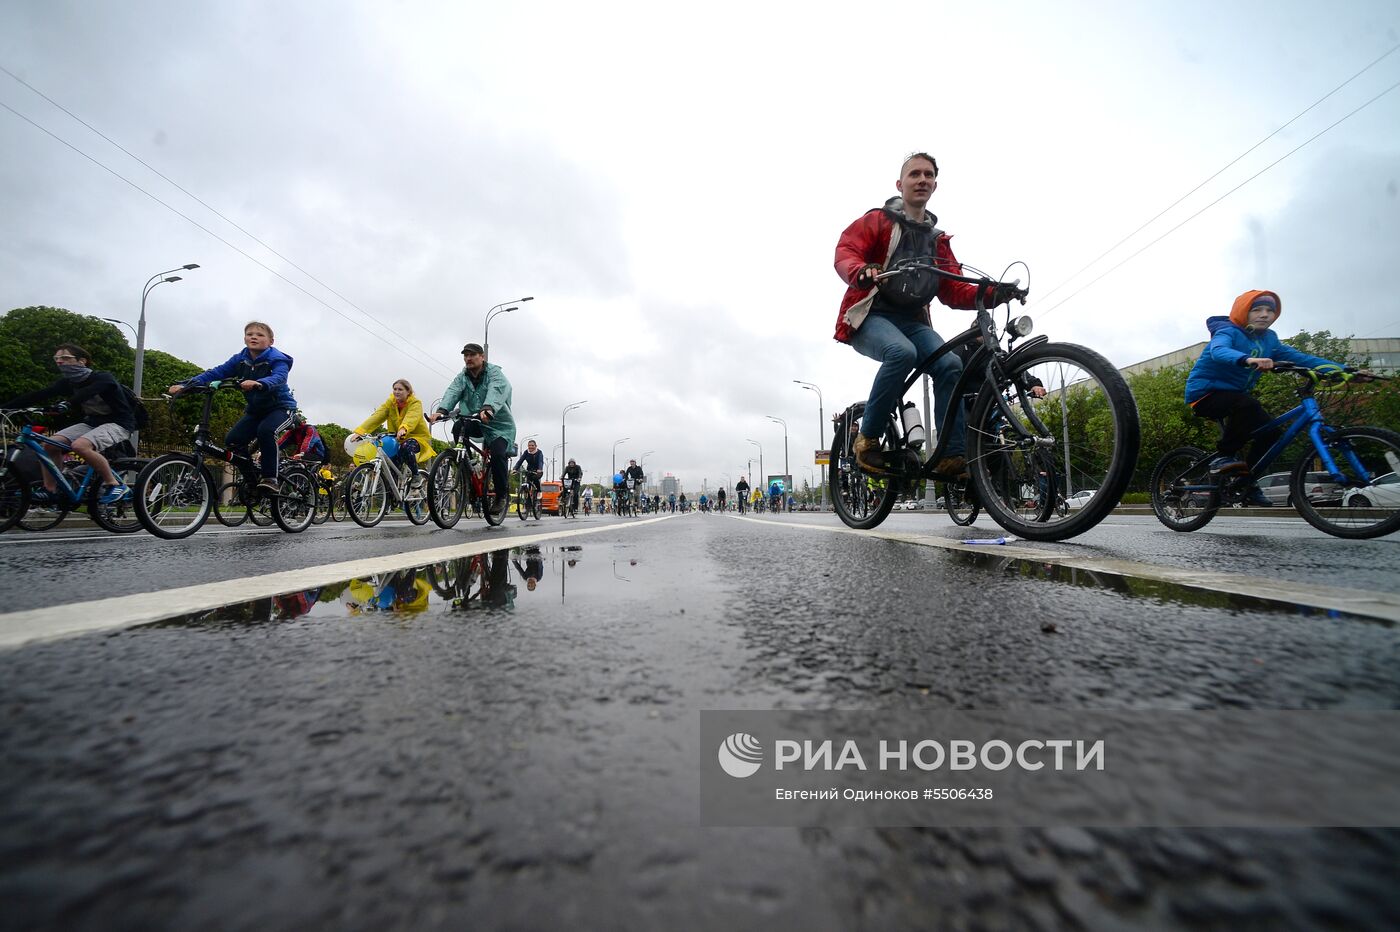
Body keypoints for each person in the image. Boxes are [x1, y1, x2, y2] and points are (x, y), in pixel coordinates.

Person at [834, 152, 1023, 479]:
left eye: (928, 175)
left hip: (913, 323)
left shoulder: (937, 241)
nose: (922, 180)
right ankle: (867, 440)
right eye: (914, 174)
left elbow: (953, 290)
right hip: (870, 316)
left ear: (935, 185)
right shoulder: (878, 221)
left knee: (951, 364)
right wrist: (860, 270)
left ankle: (952, 456)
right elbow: (846, 251)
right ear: (900, 184)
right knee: (901, 353)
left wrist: (995, 293)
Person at [1184, 290, 1356, 506]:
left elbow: (1300, 358)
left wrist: (1345, 370)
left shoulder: (1269, 340)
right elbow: (1219, 351)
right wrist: (1247, 359)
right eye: (1257, 309)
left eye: (1270, 310)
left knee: (1271, 433)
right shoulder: (1227, 331)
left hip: (1236, 396)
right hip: (1205, 394)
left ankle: (1246, 482)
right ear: (1243, 313)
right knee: (1247, 405)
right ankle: (1224, 456)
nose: (1265, 314)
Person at [170, 321, 295, 493]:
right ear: (244, 338)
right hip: (256, 411)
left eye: (259, 335)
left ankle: (270, 478)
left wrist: (259, 383)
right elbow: (216, 373)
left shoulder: (276, 358)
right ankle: (251, 477)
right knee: (233, 440)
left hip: (281, 408)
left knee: (266, 431)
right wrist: (186, 385)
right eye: (250, 334)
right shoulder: (240, 359)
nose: (254, 337)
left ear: (271, 341)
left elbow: (280, 377)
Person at [2, 343, 136, 503]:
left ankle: (114, 484)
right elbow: (39, 394)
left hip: (119, 423)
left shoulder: (102, 377)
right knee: (50, 445)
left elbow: (91, 391)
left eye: (65, 358)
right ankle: (50, 490)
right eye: (56, 358)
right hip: (92, 422)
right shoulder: (68, 383)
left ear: (82, 361)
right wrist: (4, 408)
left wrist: (68, 403)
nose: (59, 361)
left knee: (80, 446)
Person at [427, 343, 516, 512]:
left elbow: (497, 389)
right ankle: (469, 468)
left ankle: (501, 495)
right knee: (458, 427)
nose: (468, 358)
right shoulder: (463, 377)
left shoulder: (494, 373)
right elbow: (453, 391)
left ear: (482, 357)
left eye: (472, 355)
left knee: (498, 455)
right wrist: (441, 411)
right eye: (465, 356)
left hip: (499, 424)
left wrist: (488, 407)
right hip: (475, 420)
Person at [349, 380, 436, 481]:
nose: (396, 392)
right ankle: (391, 495)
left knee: (406, 447)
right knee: (392, 468)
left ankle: (416, 475)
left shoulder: (415, 403)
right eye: (395, 389)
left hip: (417, 438)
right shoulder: (390, 403)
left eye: (400, 389)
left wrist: (403, 428)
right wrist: (360, 431)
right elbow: (377, 416)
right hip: (397, 438)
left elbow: (411, 417)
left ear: (408, 392)